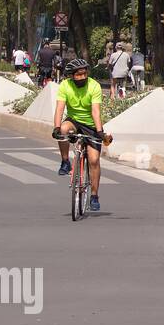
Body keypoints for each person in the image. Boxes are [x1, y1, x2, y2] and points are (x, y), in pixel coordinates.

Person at [53, 58, 105, 211]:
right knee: (63, 129)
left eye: (84, 74)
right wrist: (56, 128)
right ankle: (65, 162)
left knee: (94, 160)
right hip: (74, 121)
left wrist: (100, 131)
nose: (82, 77)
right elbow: (59, 108)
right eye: (78, 75)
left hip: (91, 125)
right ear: (71, 76)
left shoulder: (94, 86)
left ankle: (94, 196)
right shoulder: (65, 86)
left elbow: (96, 111)